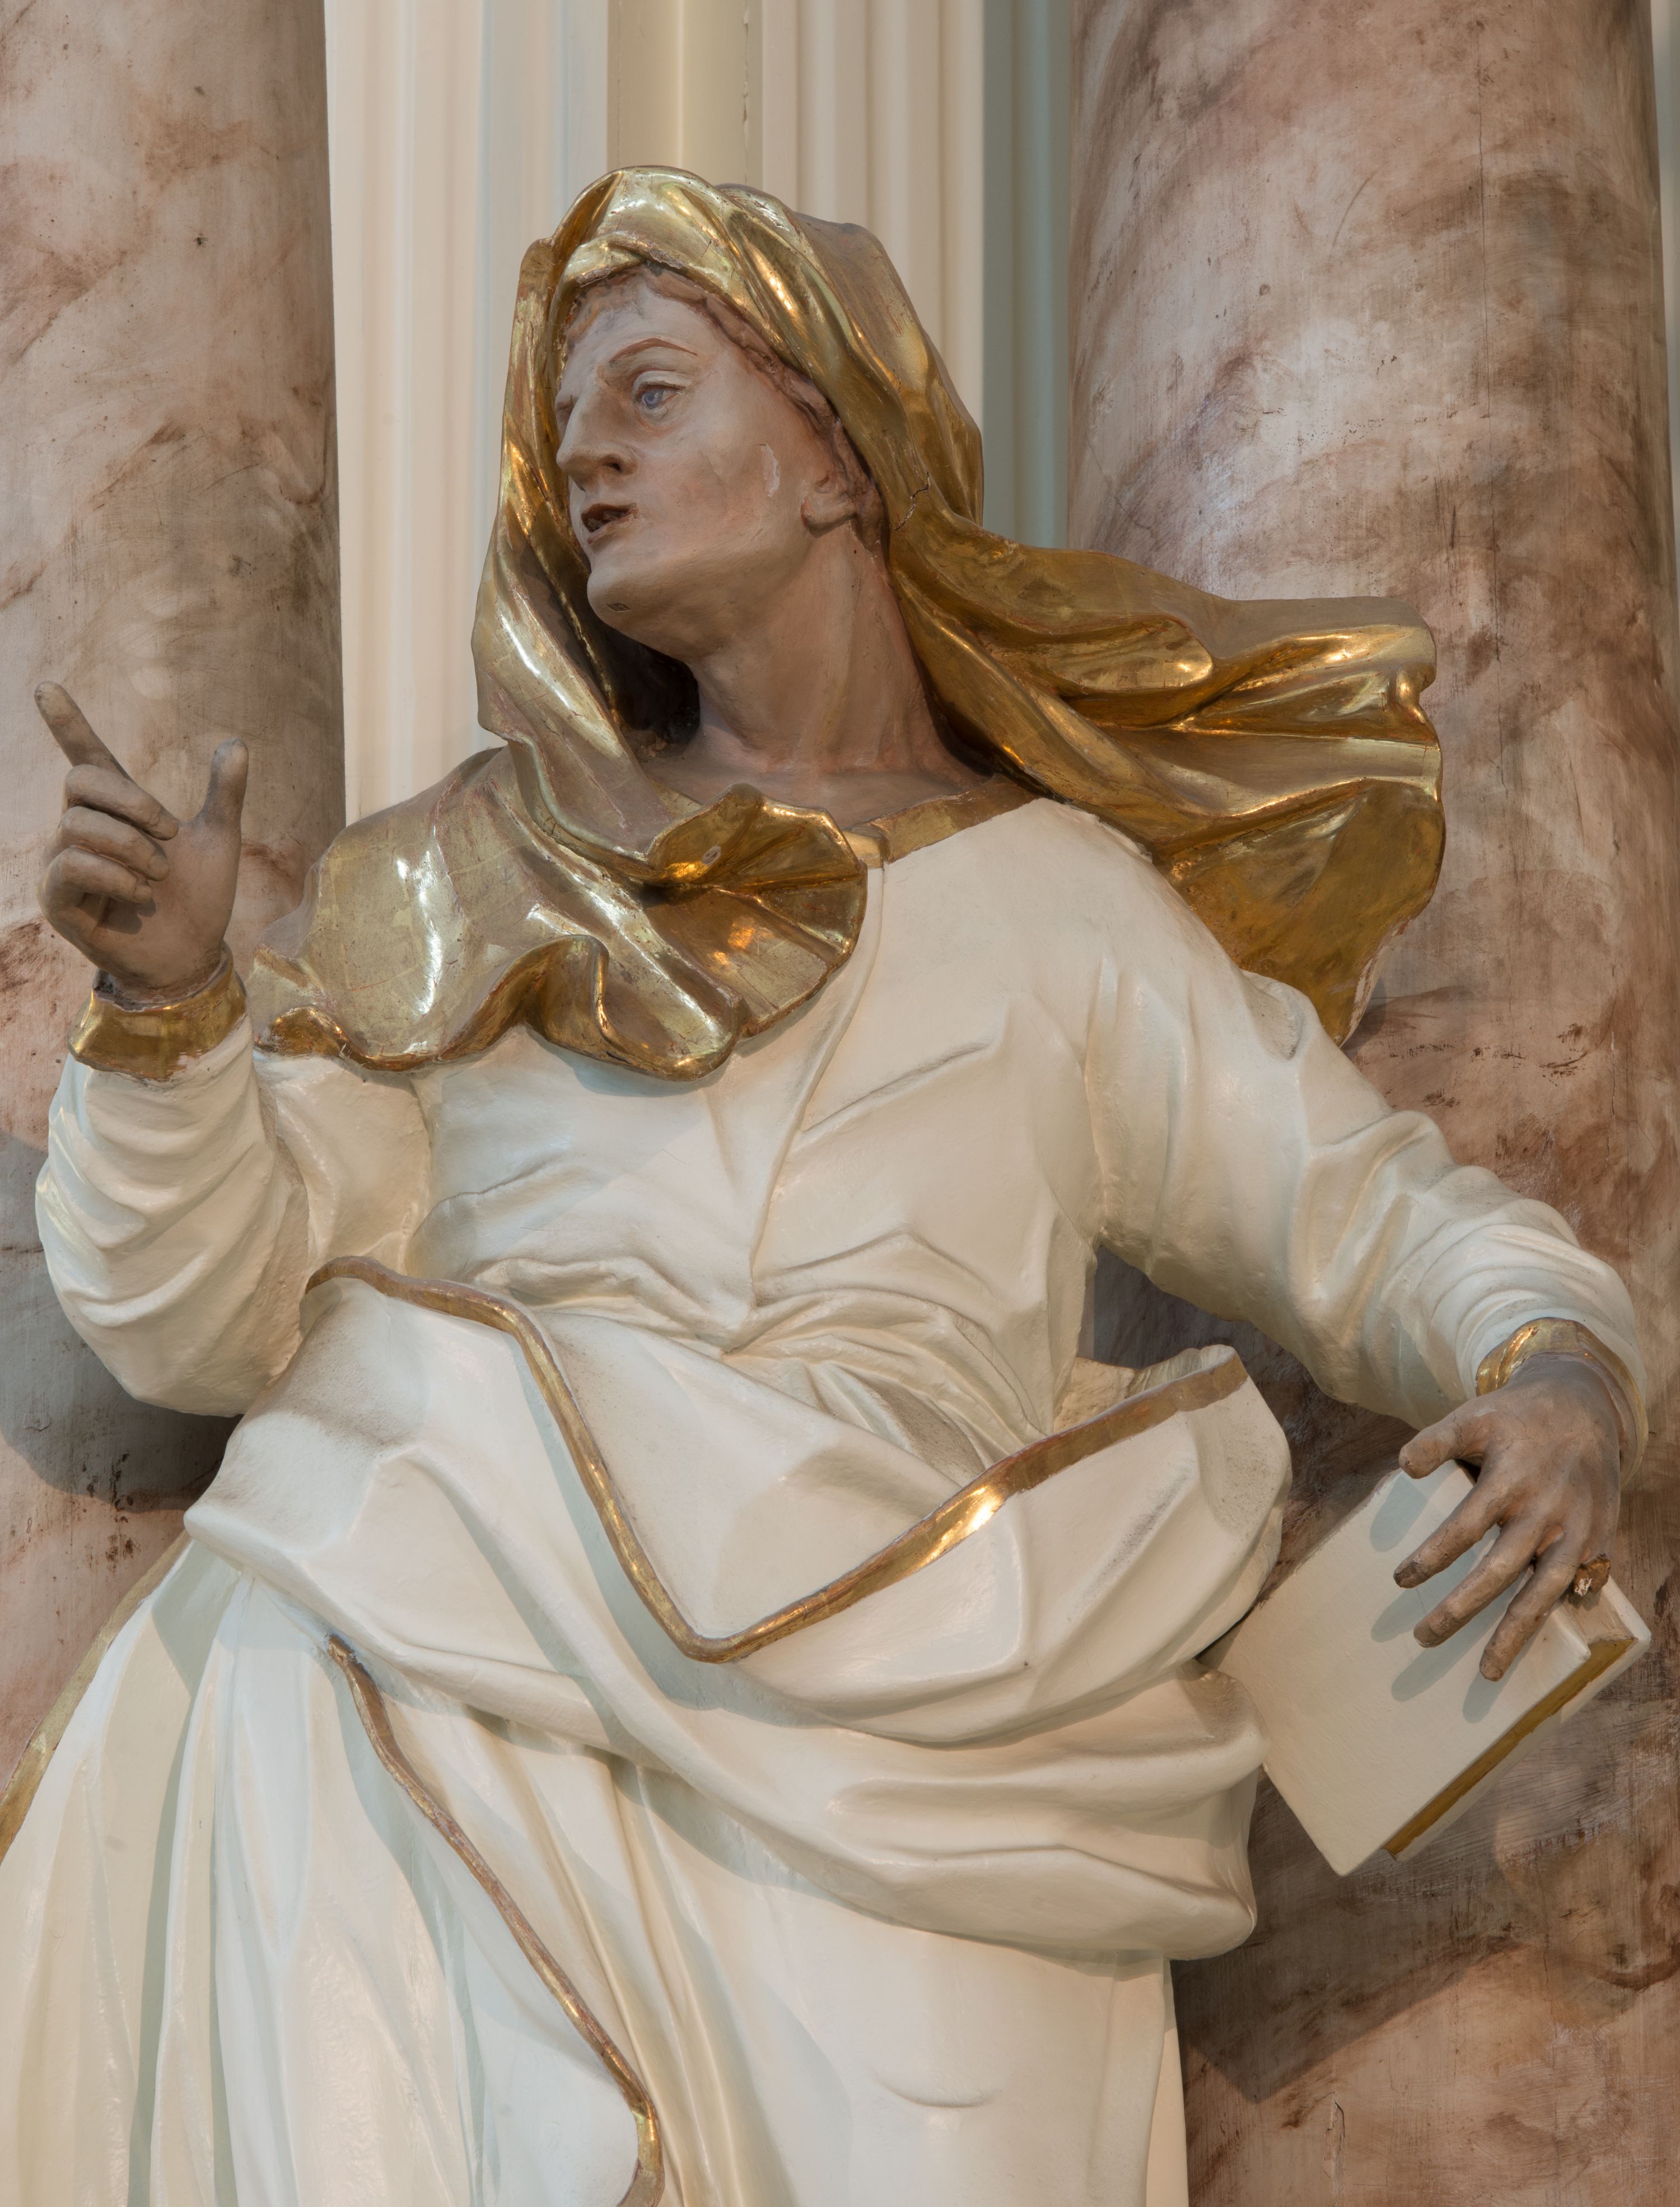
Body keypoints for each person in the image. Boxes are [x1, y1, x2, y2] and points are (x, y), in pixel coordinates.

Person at [0, 170, 1642, 2207]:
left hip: (943, 1740)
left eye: (650, 392)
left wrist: (1559, 1361)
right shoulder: (478, 872)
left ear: (838, 457)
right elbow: (199, 1318)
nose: (585, 458)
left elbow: (1362, 1207)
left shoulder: (1063, 908)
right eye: (567, 426)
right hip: (463, 1650)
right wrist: (172, 1020)